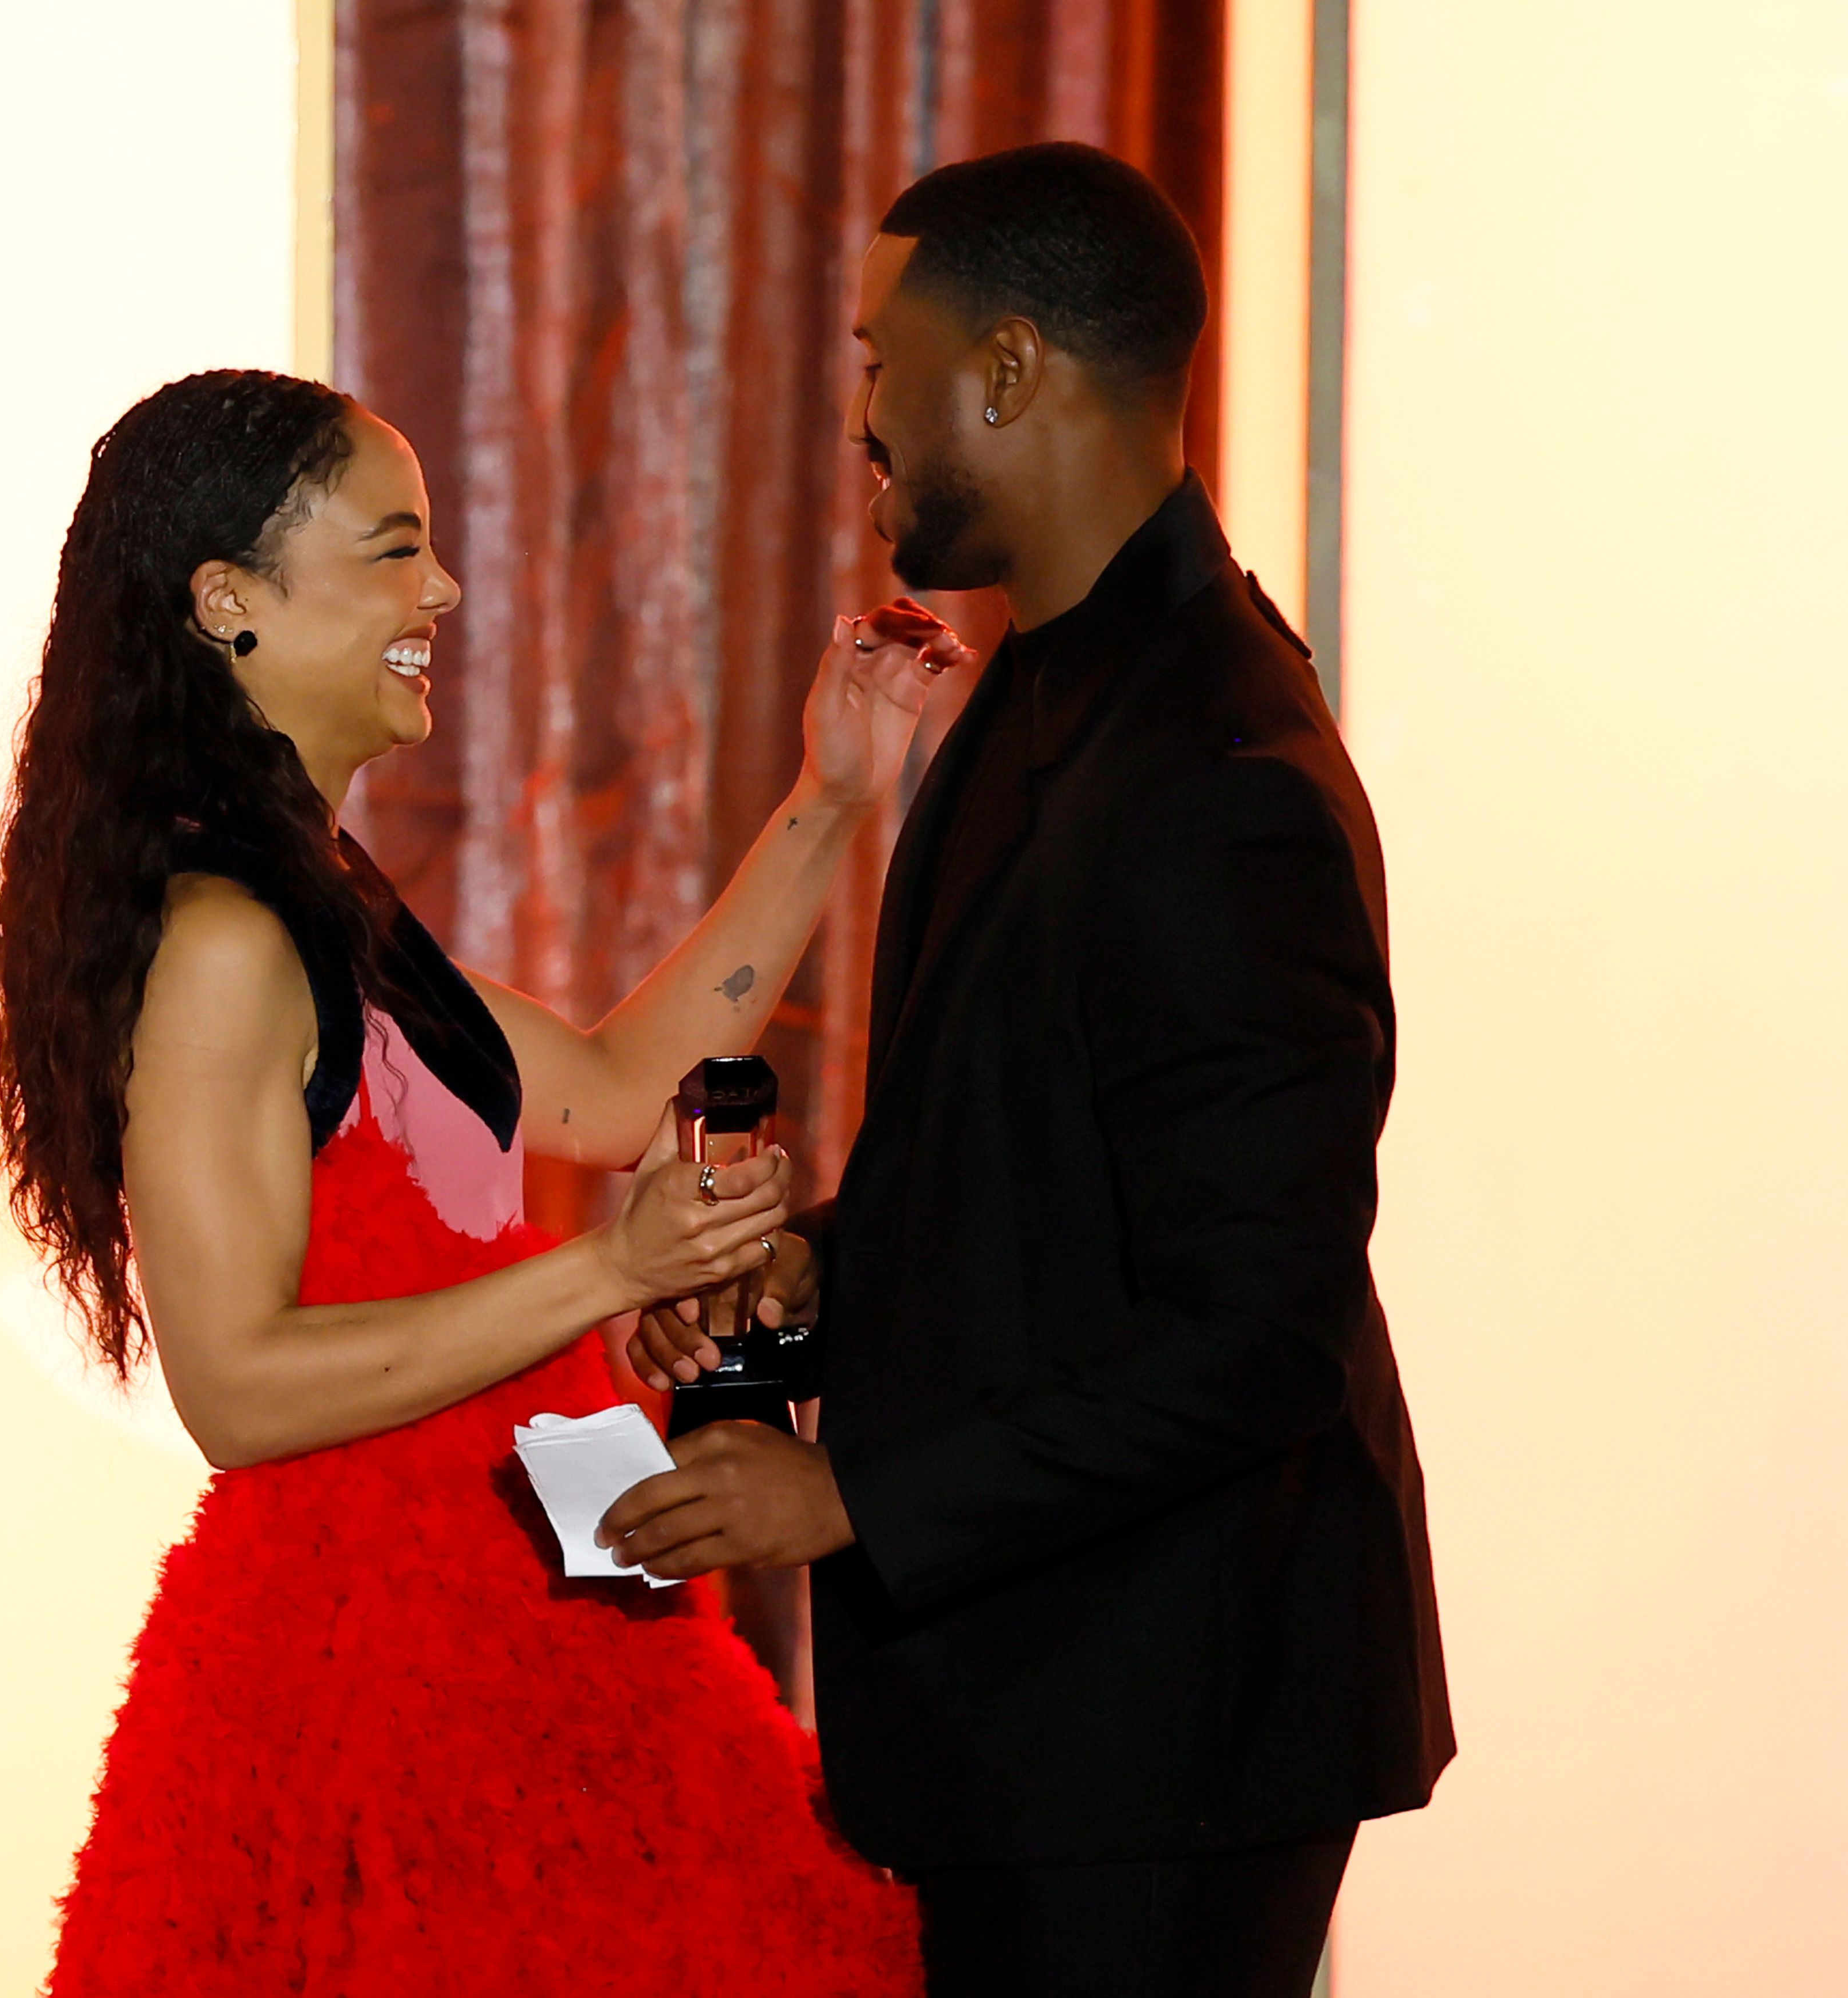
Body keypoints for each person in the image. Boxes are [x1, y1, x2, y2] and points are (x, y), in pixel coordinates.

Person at [0, 367, 970, 1994]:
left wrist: (831, 802)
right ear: (228, 603)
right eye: (391, 551)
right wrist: (611, 1273)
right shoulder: (222, 939)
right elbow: (234, 1385)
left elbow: (601, 1090)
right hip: (373, 1694)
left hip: (516, 1631)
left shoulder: (321, 902)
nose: (440, 590)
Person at [603, 142, 1455, 1997]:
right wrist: (813, 1275)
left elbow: (1256, 1333)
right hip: (1045, 1715)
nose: (860, 418)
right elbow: (1033, 1183)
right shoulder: (1045, 685)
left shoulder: (1222, 774)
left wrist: (845, 1501)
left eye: (875, 362)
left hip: (1162, 1739)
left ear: (1003, 372)